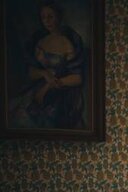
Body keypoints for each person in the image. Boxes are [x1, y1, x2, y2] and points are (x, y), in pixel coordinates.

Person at [9, 1, 85, 129]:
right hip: (38, 85)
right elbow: (31, 73)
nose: (47, 21)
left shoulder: (68, 42)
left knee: (50, 116)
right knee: (18, 112)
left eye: (50, 16)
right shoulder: (40, 41)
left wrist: (49, 86)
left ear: (59, 17)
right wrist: (44, 73)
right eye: (43, 17)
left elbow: (77, 78)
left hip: (62, 89)